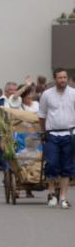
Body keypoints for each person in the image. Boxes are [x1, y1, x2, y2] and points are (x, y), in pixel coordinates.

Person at [38, 67, 75, 209]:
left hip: (69, 134)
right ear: (55, 79)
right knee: (52, 164)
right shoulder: (47, 95)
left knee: (67, 166)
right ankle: (52, 193)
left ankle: (63, 197)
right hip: (52, 134)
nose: (63, 80)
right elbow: (41, 115)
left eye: (65, 77)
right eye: (60, 78)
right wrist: (44, 131)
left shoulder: (73, 93)